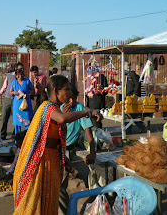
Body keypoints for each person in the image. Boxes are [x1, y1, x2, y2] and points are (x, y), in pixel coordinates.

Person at [13, 75, 102, 215]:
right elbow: (61, 119)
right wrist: (87, 112)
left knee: (49, 202)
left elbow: (54, 140)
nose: (70, 93)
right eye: (66, 90)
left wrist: (64, 159)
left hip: (52, 160)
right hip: (41, 162)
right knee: (36, 205)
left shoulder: (56, 108)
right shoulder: (47, 107)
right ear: (56, 91)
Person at [58, 86, 96, 215]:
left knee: (66, 182)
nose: (70, 102)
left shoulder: (80, 109)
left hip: (70, 149)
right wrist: (63, 115)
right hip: (58, 149)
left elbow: (88, 132)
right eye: (68, 99)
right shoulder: (57, 109)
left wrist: (92, 152)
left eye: (72, 99)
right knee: (60, 186)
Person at [0, 63, 24, 140]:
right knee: (5, 117)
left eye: (22, 69)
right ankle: (3, 134)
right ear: (15, 69)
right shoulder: (9, 75)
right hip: (8, 98)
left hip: (18, 100)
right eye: (20, 69)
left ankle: (14, 134)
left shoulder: (25, 78)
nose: (21, 70)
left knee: (17, 117)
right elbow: (4, 86)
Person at [10, 68, 34, 134]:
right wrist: (14, 92)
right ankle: (17, 139)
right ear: (15, 75)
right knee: (17, 124)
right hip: (17, 105)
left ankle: (28, 139)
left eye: (21, 75)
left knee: (27, 122)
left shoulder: (27, 81)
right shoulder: (14, 83)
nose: (20, 76)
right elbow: (10, 92)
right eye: (18, 75)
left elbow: (32, 90)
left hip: (26, 104)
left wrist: (29, 95)